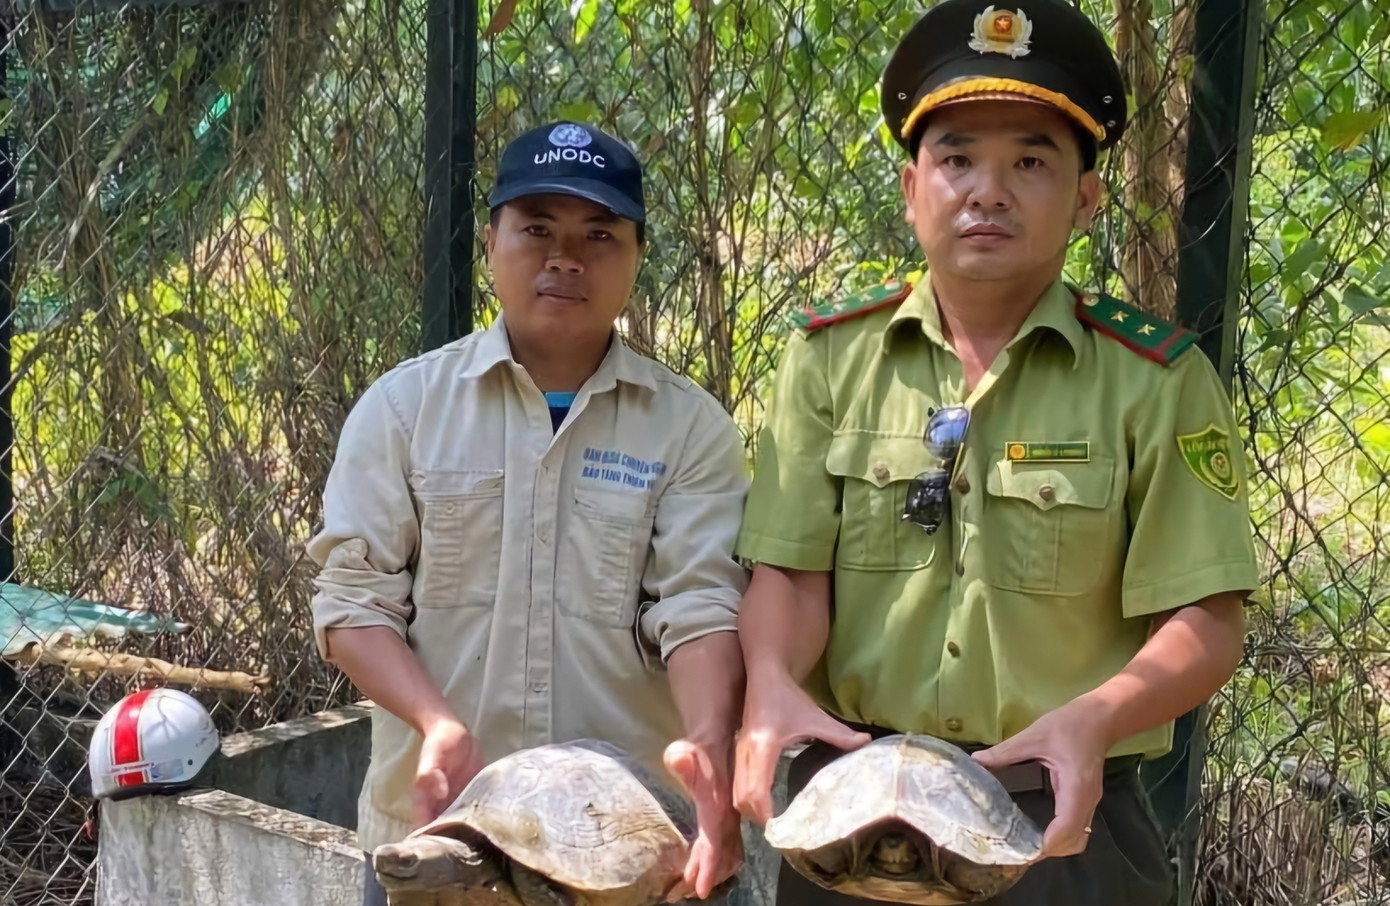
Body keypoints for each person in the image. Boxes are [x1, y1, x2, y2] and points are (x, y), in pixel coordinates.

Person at [729, 1, 1258, 903]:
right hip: (857, 819)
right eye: (957, 157)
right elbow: (789, 573)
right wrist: (771, 682)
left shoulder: (1155, 382)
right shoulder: (829, 360)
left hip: (1058, 823)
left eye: (1031, 161)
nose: (988, 190)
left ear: (1086, 198)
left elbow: (1208, 619)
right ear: (910, 188)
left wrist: (1099, 717)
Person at [308, 121, 748, 905]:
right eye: (537, 228)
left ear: (639, 255)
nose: (565, 257)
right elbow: (351, 604)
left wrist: (709, 743)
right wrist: (438, 725)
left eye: (599, 234)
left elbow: (700, 604)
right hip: (442, 840)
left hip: (628, 851)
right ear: (491, 241)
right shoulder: (404, 410)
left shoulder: (690, 429)